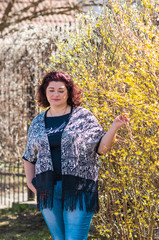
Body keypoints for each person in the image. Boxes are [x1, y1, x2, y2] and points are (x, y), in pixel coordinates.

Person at [23, 71, 129, 240]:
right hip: (48, 190)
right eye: (51, 90)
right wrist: (30, 183)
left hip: (78, 189)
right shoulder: (37, 122)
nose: (55, 94)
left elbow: (102, 148)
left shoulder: (83, 117)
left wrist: (114, 127)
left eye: (60, 90)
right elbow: (29, 156)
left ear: (69, 92)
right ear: (44, 92)